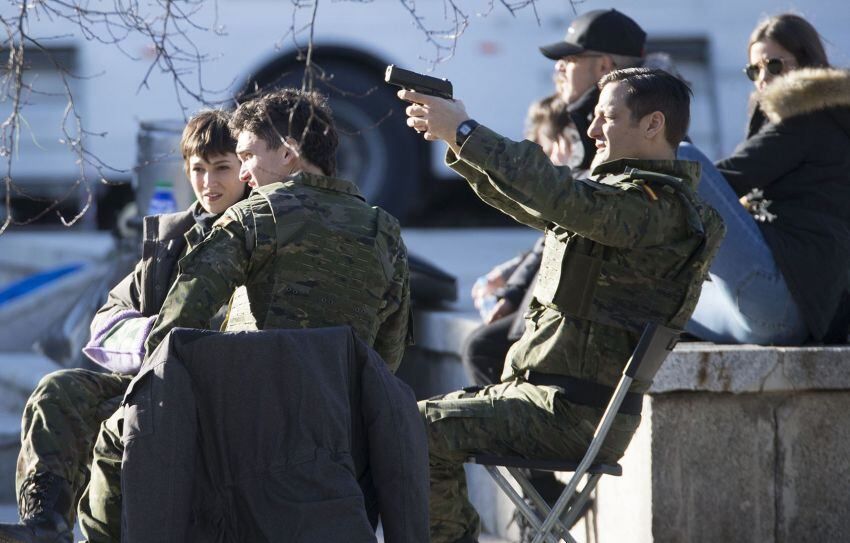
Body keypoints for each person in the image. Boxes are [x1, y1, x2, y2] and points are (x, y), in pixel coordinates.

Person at [399, 67, 725, 542]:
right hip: (546, 402)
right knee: (400, 420)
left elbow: (559, 194)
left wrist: (466, 132)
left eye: (606, 118)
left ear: (653, 124)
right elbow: (539, 204)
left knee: (411, 430)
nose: (592, 131)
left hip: (568, 415)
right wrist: (457, 144)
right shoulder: (632, 204)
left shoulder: (657, 211)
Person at [77, 87, 412, 542]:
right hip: (343, 444)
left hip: (245, 439)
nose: (246, 171)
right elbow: (386, 357)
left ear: (289, 154)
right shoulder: (385, 230)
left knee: (119, 437)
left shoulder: (254, 217)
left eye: (248, 156)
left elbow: (176, 330)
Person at [0, 110, 248, 543]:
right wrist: (149, 335)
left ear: (244, 169)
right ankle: (47, 524)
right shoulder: (173, 236)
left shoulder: (257, 230)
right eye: (198, 170)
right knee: (57, 390)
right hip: (151, 383)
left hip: (223, 395)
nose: (209, 183)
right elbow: (109, 317)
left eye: (221, 169)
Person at [686, 13, 850, 344]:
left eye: (774, 65)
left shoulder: (807, 118)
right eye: (754, 70)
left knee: (683, 160)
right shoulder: (832, 120)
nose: (763, 78)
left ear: (807, 63)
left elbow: (727, 179)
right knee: (652, 299)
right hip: (805, 319)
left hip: (783, 299)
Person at [465, 94, 573, 386]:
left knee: (482, 348)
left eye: (546, 148)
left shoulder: (580, 186)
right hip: (535, 309)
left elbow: (550, 231)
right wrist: (510, 284)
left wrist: (512, 292)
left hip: (555, 320)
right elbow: (544, 240)